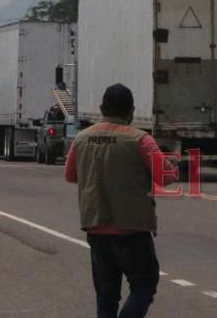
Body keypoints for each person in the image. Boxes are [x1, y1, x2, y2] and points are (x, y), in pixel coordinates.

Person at [65, 83, 175, 318]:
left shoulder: (82, 138)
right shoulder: (140, 140)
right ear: (132, 111)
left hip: (96, 227)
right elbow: (166, 177)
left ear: (101, 108)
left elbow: (70, 175)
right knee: (143, 286)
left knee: (106, 297)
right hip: (132, 228)